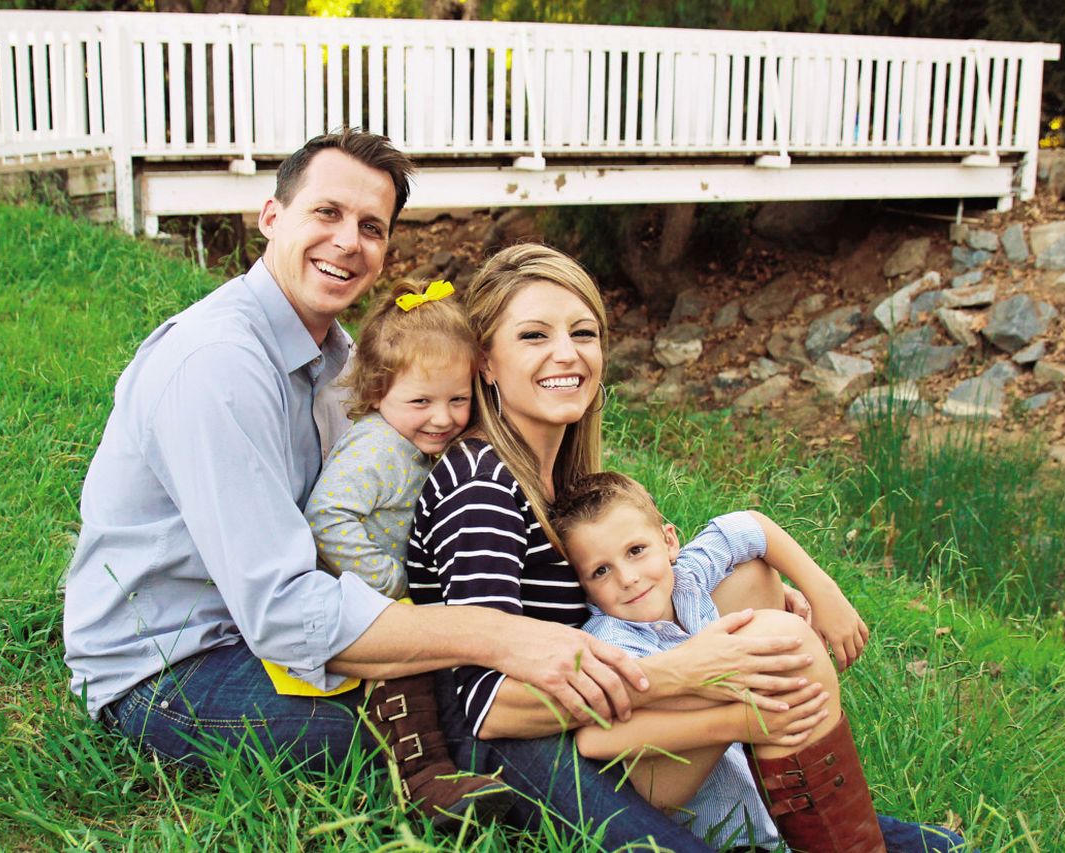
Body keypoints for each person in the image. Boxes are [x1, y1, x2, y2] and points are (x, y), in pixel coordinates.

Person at [62, 131, 672, 835]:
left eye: (372, 227)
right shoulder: (216, 367)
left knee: (485, 681)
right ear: (271, 216)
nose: (348, 241)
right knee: (468, 708)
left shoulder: (344, 360)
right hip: (175, 671)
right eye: (327, 213)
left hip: (259, 636)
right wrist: (496, 635)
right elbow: (285, 611)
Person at [406, 243, 966, 853]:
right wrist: (681, 672)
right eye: (534, 335)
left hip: (590, 695)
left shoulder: (562, 474)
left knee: (752, 580)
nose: (566, 354)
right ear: (486, 362)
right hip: (511, 746)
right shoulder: (480, 485)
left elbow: (715, 549)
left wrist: (780, 594)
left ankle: (845, 830)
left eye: (583, 332)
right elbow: (487, 706)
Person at [554, 471, 969, 852]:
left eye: (636, 550)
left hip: (770, 804)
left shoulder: (689, 579)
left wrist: (823, 592)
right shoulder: (607, 641)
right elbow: (594, 739)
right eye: (601, 571)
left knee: (945, 845)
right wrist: (740, 719)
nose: (627, 577)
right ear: (585, 588)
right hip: (722, 833)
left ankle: (832, 824)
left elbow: (748, 526)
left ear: (669, 542)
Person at [281, 276, 512, 826]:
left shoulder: (413, 439)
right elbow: (327, 519)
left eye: (459, 399)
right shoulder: (379, 450)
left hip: (390, 594)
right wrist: (392, 582)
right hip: (357, 600)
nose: (443, 417)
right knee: (402, 673)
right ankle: (422, 776)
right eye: (421, 401)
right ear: (378, 392)